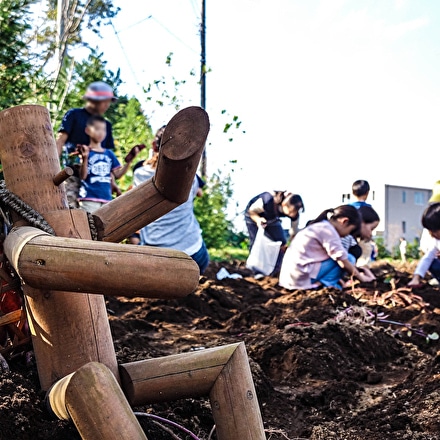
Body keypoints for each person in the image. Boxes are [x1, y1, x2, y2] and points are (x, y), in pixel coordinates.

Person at [132, 126, 209, 275]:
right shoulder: (190, 178)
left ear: (154, 146)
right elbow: (199, 193)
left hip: (154, 254)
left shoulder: (139, 173)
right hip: (191, 254)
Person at [56, 81, 142, 207]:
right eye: (105, 101)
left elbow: (106, 160)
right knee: (70, 208)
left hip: (96, 182)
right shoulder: (74, 115)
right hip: (72, 174)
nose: (107, 105)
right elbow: (60, 141)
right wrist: (53, 166)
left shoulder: (106, 125)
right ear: (94, 100)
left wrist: (112, 183)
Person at [279, 205, 376, 290]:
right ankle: (326, 285)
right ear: (344, 221)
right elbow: (343, 262)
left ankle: (325, 284)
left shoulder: (322, 226)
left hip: (292, 278)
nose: (347, 235)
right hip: (299, 279)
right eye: (349, 231)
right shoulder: (329, 231)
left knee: (344, 259)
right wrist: (362, 278)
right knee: (349, 259)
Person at [77, 115, 138, 213]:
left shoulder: (109, 154)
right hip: (89, 198)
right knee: (88, 225)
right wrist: (84, 158)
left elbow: (117, 175)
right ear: (88, 130)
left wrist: (129, 161)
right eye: (97, 129)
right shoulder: (86, 151)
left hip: (106, 199)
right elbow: (83, 176)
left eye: (103, 130)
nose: (101, 132)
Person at [244, 191, 304, 275]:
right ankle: (255, 271)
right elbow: (252, 212)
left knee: (281, 242)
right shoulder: (268, 200)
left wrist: (290, 244)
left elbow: (293, 231)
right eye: (290, 212)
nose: (292, 214)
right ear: (284, 205)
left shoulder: (294, 214)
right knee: (256, 243)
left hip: (272, 219)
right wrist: (258, 220)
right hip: (253, 216)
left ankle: (277, 271)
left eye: (294, 212)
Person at [408, 203, 440, 287]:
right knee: (433, 263)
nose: (431, 234)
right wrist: (416, 278)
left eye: (434, 231)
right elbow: (427, 258)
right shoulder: (436, 241)